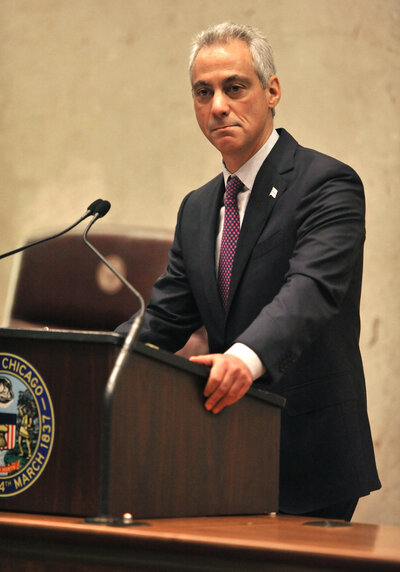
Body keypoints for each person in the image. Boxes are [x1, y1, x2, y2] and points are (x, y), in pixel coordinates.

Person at [117, 22, 381, 520]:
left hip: (310, 453)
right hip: (225, 455)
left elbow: (310, 291)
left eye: (234, 87)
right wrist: (99, 359)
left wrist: (244, 357)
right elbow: (165, 318)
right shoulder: (198, 208)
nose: (218, 105)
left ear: (272, 90)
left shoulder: (327, 184)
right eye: (203, 92)